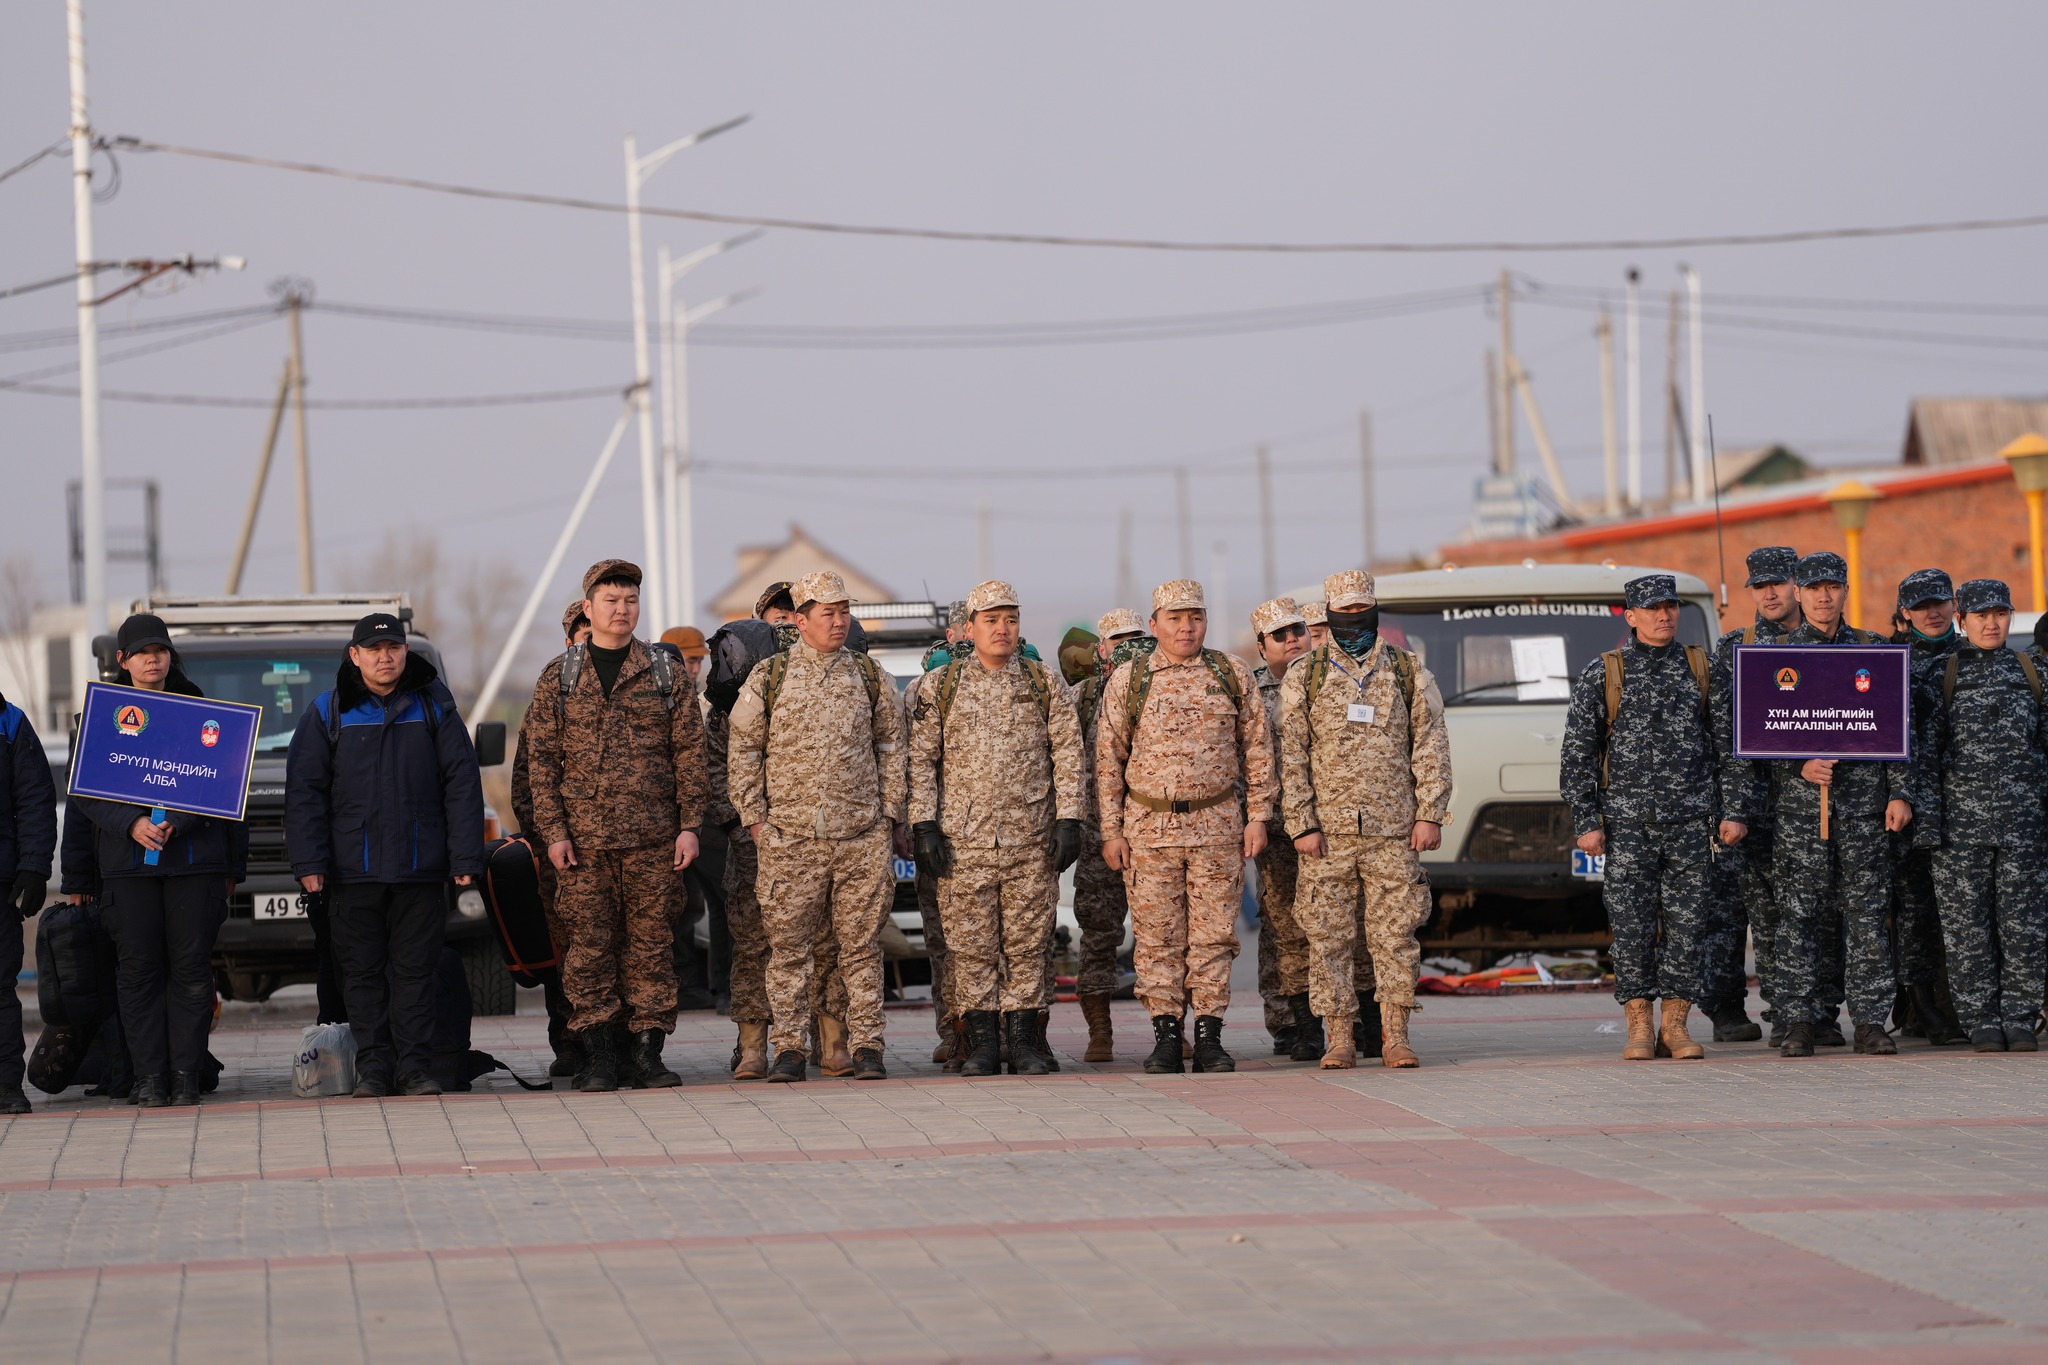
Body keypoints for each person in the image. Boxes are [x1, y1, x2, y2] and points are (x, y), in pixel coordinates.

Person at [523, 560, 710, 1091]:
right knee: (589, 949)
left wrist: (690, 825)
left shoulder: (664, 671)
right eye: (610, 600)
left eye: (630, 600)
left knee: (651, 948)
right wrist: (554, 833)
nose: (621, 609)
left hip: (654, 839)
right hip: (583, 844)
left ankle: (646, 1054)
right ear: (589, 608)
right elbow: (542, 763)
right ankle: (599, 1056)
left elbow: (689, 754)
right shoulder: (559, 677)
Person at [286, 612, 485, 1098]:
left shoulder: (435, 706)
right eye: (374, 650)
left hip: (420, 868)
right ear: (355, 656)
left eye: (393, 648)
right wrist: (309, 863)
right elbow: (305, 792)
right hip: (352, 871)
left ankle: (414, 1069)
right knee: (361, 975)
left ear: (405, 652)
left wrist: (465, 859)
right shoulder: (328, 712)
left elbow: (462, 785)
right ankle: (374, 1068)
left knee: (416, 973)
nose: (385, 657)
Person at [727, 570, 907, 1082]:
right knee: (788, 951)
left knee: (861, 949)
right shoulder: (770, 676)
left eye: (844, 611)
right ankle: (789, 1049)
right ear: (801, 621)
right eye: (827, 613)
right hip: (791, 838)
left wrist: (888, 816)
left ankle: (867, 1045)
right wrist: (756, 822)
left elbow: (892, 747)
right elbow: (744, 750)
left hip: (860, 837)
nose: (838, 621)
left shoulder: (869, 675)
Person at [1561, 575, 1743, 1062]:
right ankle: (1639, 1025)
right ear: (1631, 616)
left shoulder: (1702, 668)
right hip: (1628, 826)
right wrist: (1586, 820)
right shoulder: (1604, 672)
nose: (1664, 615)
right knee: (1631, 927)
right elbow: (1578, 753)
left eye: (1670, 606)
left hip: (1692, 824)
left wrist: (1733, 811)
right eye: (1653, 608)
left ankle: (1676, 1026)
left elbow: (1730, 748)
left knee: (1689, 927)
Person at [1097, 579, 1274, 1074]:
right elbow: (1108, 760)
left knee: (1214, 937)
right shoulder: (1130, 679)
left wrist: (1259, 816)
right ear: (1154, 625)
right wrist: (1111, 830)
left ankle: (1210, 1036)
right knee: (1157, 939)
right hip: (1148, 831)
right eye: (1174, 619)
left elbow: (1258, 749)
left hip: (1217, 827)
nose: (1186, 628)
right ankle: (1167, 1037)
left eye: (1195, 617)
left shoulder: (1230, 672)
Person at [908, 581, 1084, 1075]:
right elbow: (921, 761)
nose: (1002, 629)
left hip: (1031, 837)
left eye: (1011, 619)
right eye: (991, 620)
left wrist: (1069, 818)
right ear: (970, 628)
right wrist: (923, 824)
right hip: (963, 841)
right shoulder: (941, 686)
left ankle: (1024, 1044)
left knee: (1029, 943)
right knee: (971, 946)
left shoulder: (1043, 682)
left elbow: (1069, 753)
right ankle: (983, 1045)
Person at [71, 614, 244, 1107]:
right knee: (138, 973)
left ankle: (185, 1075)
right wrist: (130, 823)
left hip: (194, 865)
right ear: (122, 660)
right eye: (143, 652)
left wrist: (187, 827)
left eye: (161, 651)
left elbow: (228, 784)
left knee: (191, 971)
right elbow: (84, 793)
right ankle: (148, 1077)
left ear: (171, 657)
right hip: (128, 870)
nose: (153, 660)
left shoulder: (203, 713)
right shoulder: (101, 717)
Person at [1280, 571, 1451, 1070]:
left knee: (1395, 935)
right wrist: (1301, 824)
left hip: (1394, 830)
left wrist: (1430, 813)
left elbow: (1431, 744)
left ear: (1375, 610)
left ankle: (1396, 1036)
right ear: (1330, 614)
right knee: (1328, 938)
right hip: (1327, 833)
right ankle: (1339, 1039)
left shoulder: (1407, 669)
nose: (1354, 620)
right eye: (1345, 612)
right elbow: (1290, 755)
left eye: (1362, 610)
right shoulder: (1305, 674)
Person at [1754, 551, 1915, 1058]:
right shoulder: (1772, 655)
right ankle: (1799, 1021)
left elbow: (1901, 726)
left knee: (1867, 919)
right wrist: (1797, 764)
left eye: (1833, 586)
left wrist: (1900, 792)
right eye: (1814, 587)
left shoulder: (1876, 651)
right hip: (1801, 815)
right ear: (1798, 593)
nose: (1824, 596)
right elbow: (1754, 733)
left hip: (1864, 811)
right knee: (1798, 918)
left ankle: (1869, 1022)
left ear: (1846, 591)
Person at [1926, 579, 2046, 1051]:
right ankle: (1981, 1020)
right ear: (1962, 620)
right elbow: (1925, 756)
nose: (1991, 623)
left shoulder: (2034, 670)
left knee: (2024, 926)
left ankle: (2020, 1017)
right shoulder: (1941, 673)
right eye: (1981, 615)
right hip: (1959, 829)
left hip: (2024, 826)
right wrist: (1930, 826)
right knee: (1967, 930)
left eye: (2000, 613)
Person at [1701, 547, 1803, 1045]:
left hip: (1802, 805)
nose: (1769, 594)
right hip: (1743, 806)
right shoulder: (1732, 648)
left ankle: (1793, 1011)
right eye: (1760, 586)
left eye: (1777, 583)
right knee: (1729, 912)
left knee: (1794, 913)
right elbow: (1718, 731)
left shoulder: (1822, 643)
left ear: (1797, 584)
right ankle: (1726, 1009)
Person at [509, 601, 597, 1078]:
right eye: (583, 636)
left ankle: (615, 1042)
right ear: (569, 642)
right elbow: (525, 782)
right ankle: (569, 1042)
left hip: (615, 846)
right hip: (561, 853)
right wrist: (547, 838)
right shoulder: (550, 696)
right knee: (565, 949)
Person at [1885, 569, 1968, 1046]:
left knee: (1962, 913)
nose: (1932, 613)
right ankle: (1920, 1004)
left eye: (1939, 603)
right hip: (1912, 810)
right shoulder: (1890, 662)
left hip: (1966, 810)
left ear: (1954, 604)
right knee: (1915, 909)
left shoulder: (1976, 657)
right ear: (1905, 613)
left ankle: (1956, 1000)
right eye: (1920, 607)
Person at [1070, 607, 1144, 1061]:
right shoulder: (1081, 698)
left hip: (1154, 835)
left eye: (1136, 637)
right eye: (1118, 641)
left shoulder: (1162, 686)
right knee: (1098, 935)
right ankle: (1100, 1031)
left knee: (1164, 938)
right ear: (1101, 649)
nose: (1128, 648)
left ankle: (1170, 1027)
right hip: (1099, 838)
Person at [1248, 597, 1320, 1061]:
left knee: (1335, 923)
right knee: (1281, 927)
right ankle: (1288, 1020)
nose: (1292, 640)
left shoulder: (1328, 680)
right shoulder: (1250, 693)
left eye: (1298, 631)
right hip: (1275, 830)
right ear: (1262, 646)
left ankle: (1346, 1016)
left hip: (1326, 826)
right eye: (1280, 635)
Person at [0, 687, 57, 1114]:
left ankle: (5, 1087)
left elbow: (35, 798)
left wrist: (35, 868)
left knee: (0, 989)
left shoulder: (10, 721)